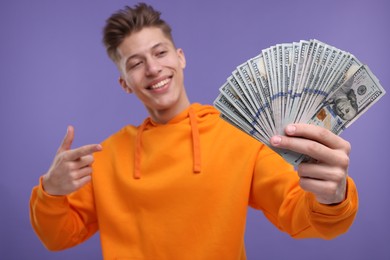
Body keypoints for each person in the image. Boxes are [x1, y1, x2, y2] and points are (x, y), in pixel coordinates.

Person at [29, 3, 358, 259]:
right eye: (135, 63)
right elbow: (58, 237)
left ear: (180, 57)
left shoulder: (237, 138)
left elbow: (302, 216)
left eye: (160, 53)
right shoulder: (107, 157)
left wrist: (334, 198)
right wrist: (51, 192)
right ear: (124, 84)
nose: (153, 68)